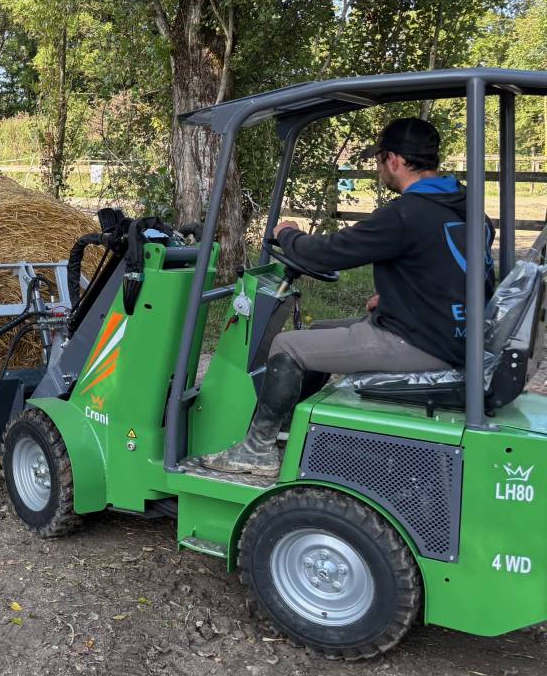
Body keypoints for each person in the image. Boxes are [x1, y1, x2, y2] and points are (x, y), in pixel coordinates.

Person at [201, 117, 493, 475]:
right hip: (450, 333)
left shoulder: (405, 214)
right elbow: (453, 270)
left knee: (287, 347)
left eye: (379, 160)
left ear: (395, 160)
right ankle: (293, 434)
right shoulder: (464, 207)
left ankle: (256, 452)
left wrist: (289, 235)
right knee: (319, 331)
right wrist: (394, 297)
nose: (378, 169)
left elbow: (327, 253)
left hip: (424, 343)